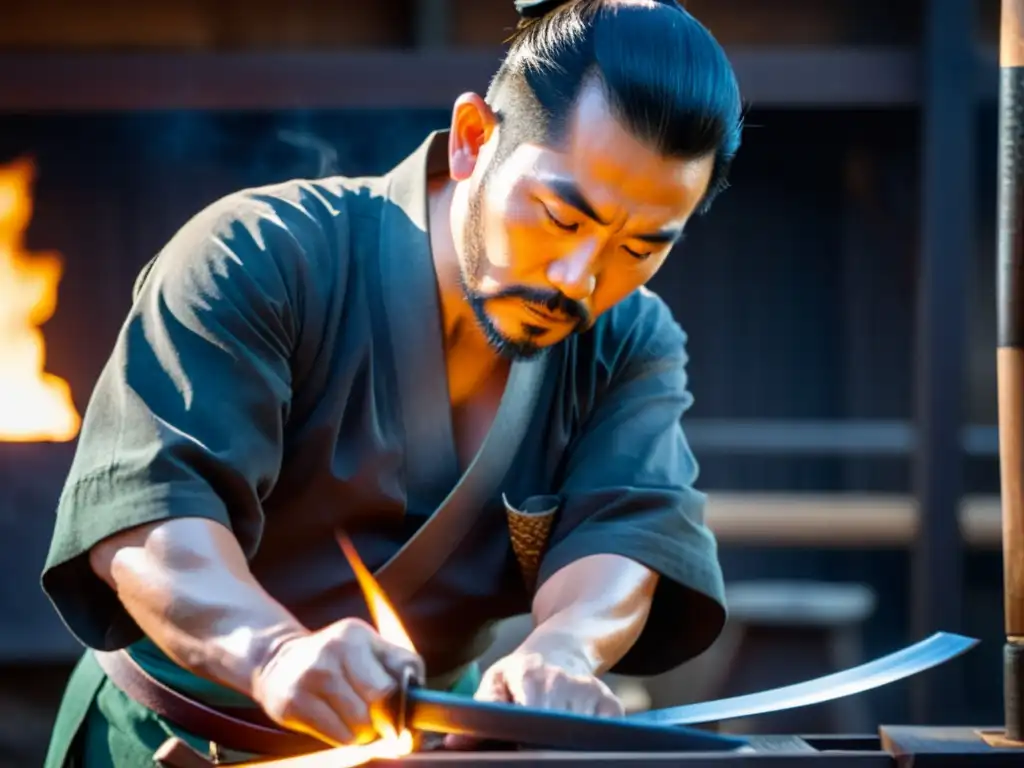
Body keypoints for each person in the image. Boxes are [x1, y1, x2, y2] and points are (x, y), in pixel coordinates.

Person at [40, 0, 743, 765]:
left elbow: (626, 529)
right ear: (476, 139)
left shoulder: (628, 339)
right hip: (175, 738)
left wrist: (566, 651)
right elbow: (149, 518)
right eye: (560, 218)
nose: (579, 279)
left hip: (424, 748)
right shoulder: (257, 254)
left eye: (639, 246)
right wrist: (272, 654)